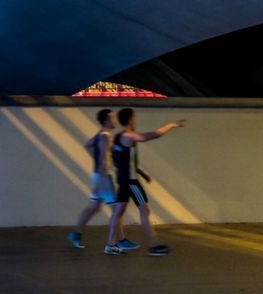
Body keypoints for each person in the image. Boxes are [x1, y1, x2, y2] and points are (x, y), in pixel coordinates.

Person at [105, 108, 186, 257]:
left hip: (123, 180)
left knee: (118, 212)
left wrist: (141, 172)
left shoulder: (117, 138)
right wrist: (172, 125)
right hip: (130, 182)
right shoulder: (129, 136)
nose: (134, 120)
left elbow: (121, 160)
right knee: (144, 210)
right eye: (133, 118)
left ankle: (111, 245)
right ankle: (154, 246)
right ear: (130, 119)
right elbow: (154, 134)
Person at [68, 108, 139, 252]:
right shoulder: (106, 136)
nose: (115, 120)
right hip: (104, 176)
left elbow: (87, 145)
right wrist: (101, 174)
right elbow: (102, 160)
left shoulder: (101, 134)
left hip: (98, 175)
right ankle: (121, 241)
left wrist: (98, 163)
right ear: (106, 120)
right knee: (116, 209)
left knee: (95, 206)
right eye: (112, 118)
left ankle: (76, 233)